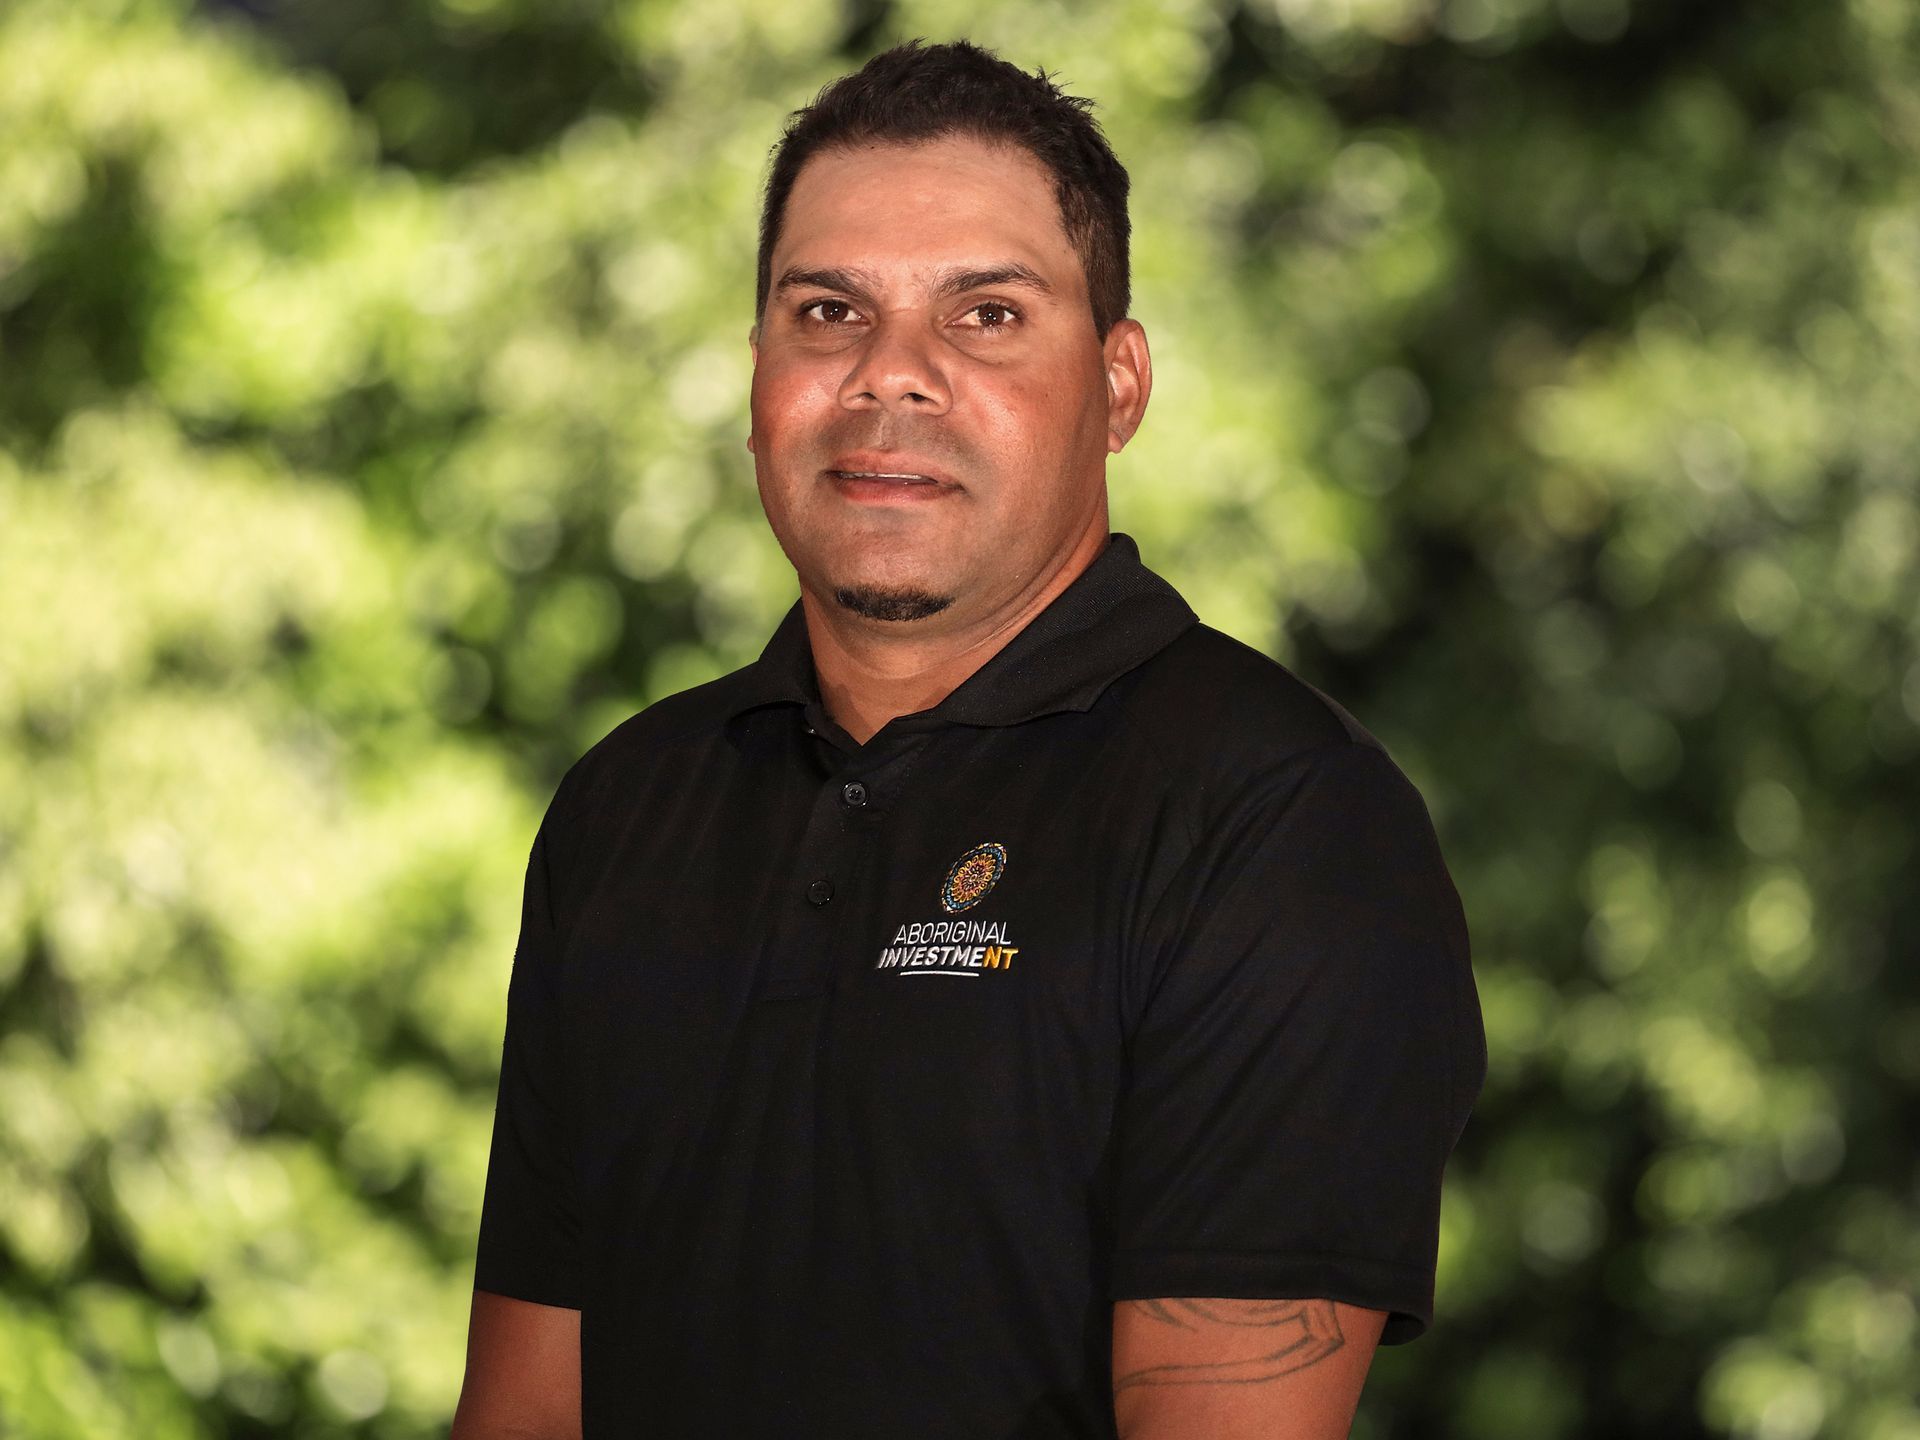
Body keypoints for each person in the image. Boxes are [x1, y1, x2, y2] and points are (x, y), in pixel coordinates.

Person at [451, 37, 1485, 1440]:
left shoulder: (1282, 820)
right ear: (757, 375)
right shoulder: (627, 808)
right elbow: (526, 1414)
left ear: (1120, 386)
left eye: (987, 315)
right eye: (828, 312)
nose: (892, 376)